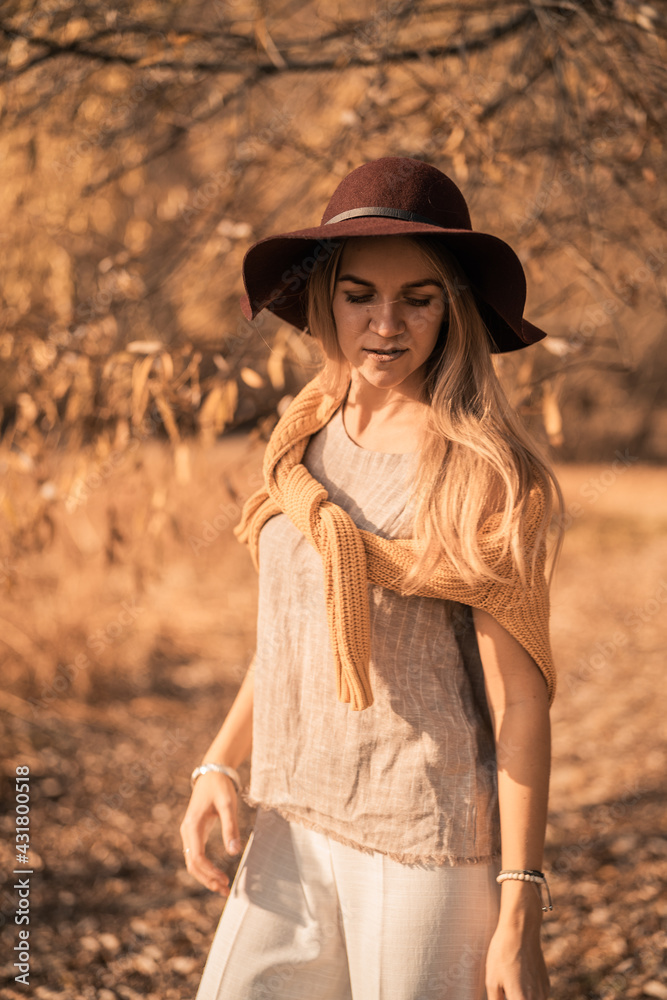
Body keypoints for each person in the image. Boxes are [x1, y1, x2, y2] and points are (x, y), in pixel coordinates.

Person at [180, 156, 562, 1000]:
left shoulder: (481, 473)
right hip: (289, 817)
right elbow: (292, 634)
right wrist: (218, 766)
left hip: (421, 834)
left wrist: (518, 913)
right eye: (359, 294)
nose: (385, 323)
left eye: (418, 298)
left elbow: (520, 704)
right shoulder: (302, 433)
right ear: (324, 300)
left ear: (452, 307)